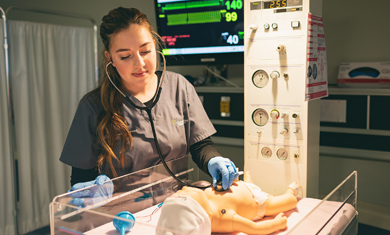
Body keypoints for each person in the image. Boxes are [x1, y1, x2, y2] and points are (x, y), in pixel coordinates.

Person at [59, 7, 238, 196]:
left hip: (178, 205)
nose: (140, 63)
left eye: (145, 51)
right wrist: (92, 190)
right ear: (109, 57)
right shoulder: (93, 107)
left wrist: (213, 160)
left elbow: (200, 145)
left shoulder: (179, 87)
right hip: (123, 216)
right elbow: (80, 178)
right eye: (125, 56)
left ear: (155, 45)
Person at [156, 172, 301, 235]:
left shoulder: (203, 200)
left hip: (242, 187)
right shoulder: (223, 217)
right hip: (260, 203)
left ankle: (248, 181)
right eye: (187, 193)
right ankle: (291, 191)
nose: (186, 188)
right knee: (285, 202)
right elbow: (255, 228)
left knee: (247, 184)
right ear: (202, 212)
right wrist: (277, 224)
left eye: (181, 190)